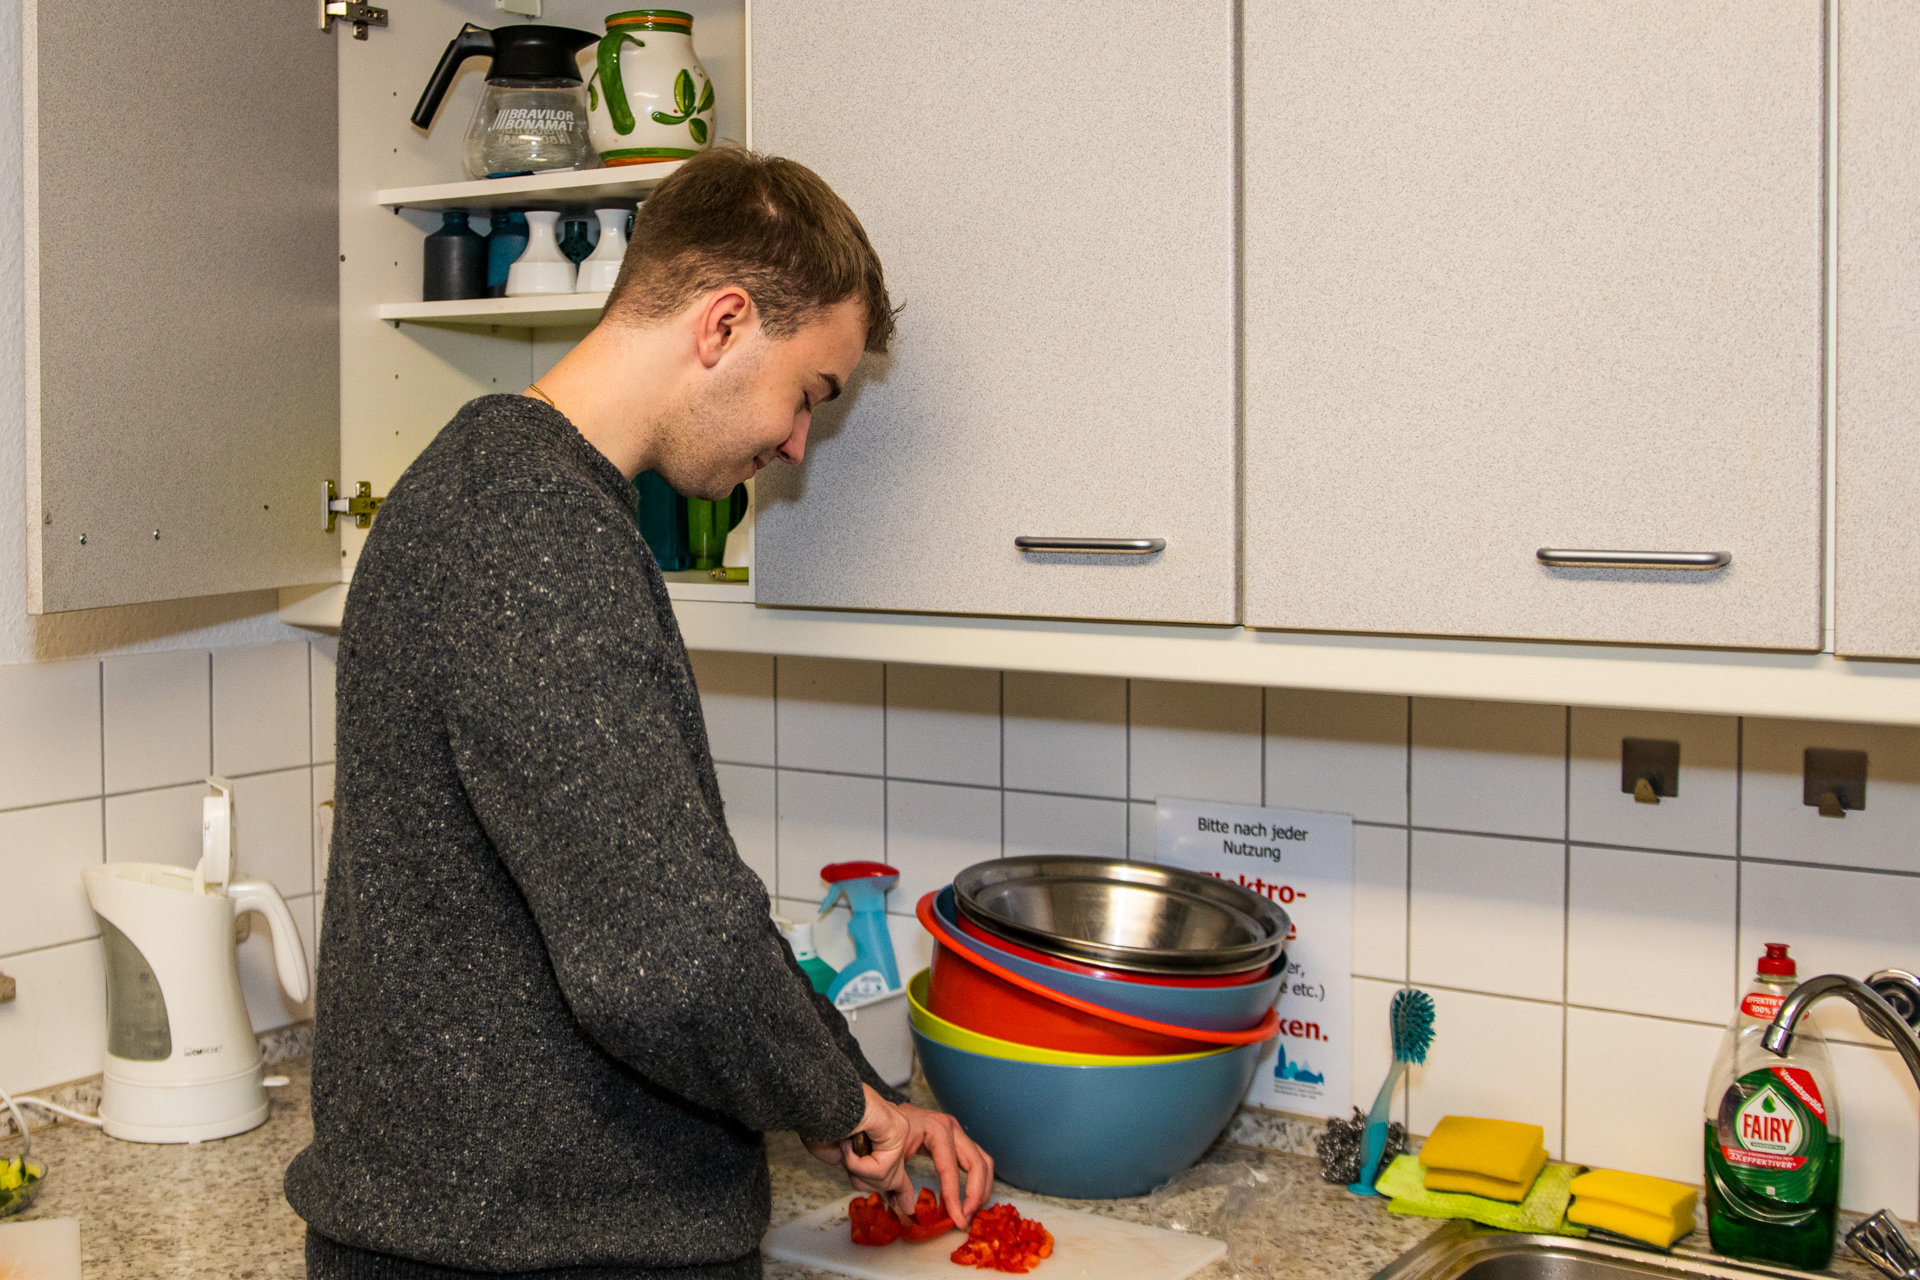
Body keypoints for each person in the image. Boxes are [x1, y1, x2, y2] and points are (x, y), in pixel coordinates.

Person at [285, 146, 993, 1280]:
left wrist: (837, 1086)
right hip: (538, 1251)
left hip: (482, 1234)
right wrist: (842, 1099)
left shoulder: (492, 490)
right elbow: (668, 958)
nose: (796, 441)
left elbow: (667, 893)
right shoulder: (535, 531)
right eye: (809, 392)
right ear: (723, 323)